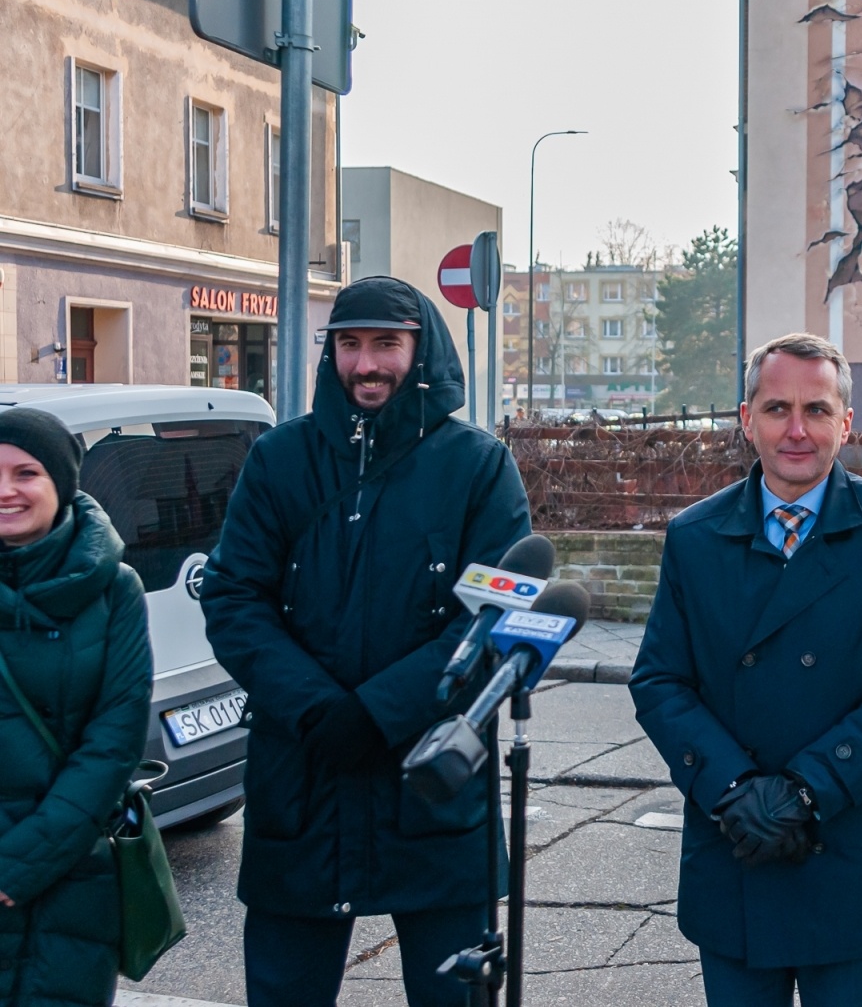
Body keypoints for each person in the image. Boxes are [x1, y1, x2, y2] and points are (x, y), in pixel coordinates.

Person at [201, 276, 532, 1007]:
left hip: (432, 787)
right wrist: (320, 710)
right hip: (303, 779)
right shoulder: (280, 459)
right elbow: (233, 596)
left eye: (387, 343)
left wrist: (378, 712)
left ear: (421, 350)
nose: (367, 363)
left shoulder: (477, 466)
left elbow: (495, 619)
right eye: (350, 344)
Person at [631, 333, 862, 1007]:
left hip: (850, 852)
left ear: (846, 423)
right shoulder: (695, 537)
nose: (797, 430)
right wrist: (734, 788)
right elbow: (660, 680)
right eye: (778, 409)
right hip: (735, 846)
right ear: (747, 420)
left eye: (817, 410)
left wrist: (806, 791)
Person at [0, 408, 152, 1006]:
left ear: (61, 484)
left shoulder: (115, 590)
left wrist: (17, 867)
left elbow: (113, 744)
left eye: (26, 472)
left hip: (71, 873)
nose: (5, 491)